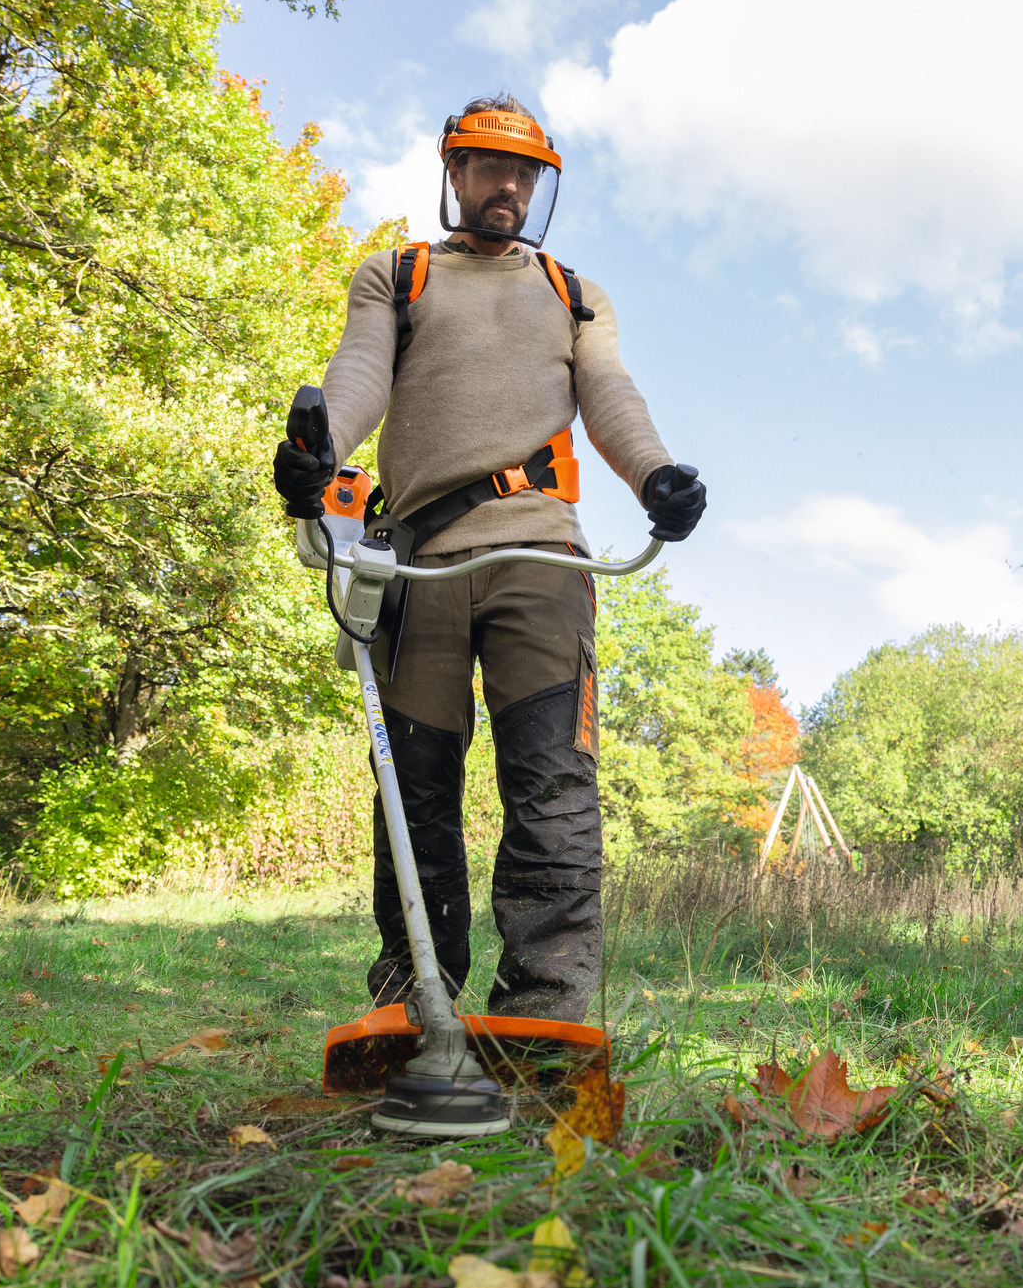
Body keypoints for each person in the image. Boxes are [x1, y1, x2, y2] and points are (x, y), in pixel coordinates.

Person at [272, 93, 706, 1024]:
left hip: (540, 555)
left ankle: (544, 1013)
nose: (508, 184)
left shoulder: (573, 294)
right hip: (417, 560)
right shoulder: (398, 274)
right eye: (489, 166)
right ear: (455, 171)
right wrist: (321, 448)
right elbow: (358, 375)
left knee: (552, 783)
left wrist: (657, 475)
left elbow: (611, 394)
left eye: (525, 172)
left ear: (538, 184)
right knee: (413, 790)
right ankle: (416, 1000)